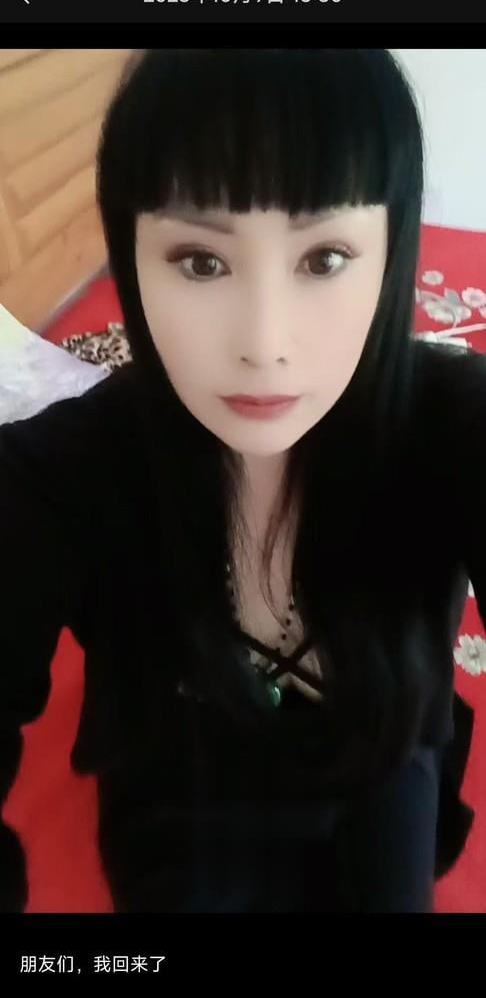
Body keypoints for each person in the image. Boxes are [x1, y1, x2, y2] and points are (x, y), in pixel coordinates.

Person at [0, 48, 483, 913]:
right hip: (179, 772)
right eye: (200, 260)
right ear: (131, 257)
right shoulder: (68, 472)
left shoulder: (450, 424)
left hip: (384, 749)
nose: (264, 342)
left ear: (391, 252)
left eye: (325, 258)